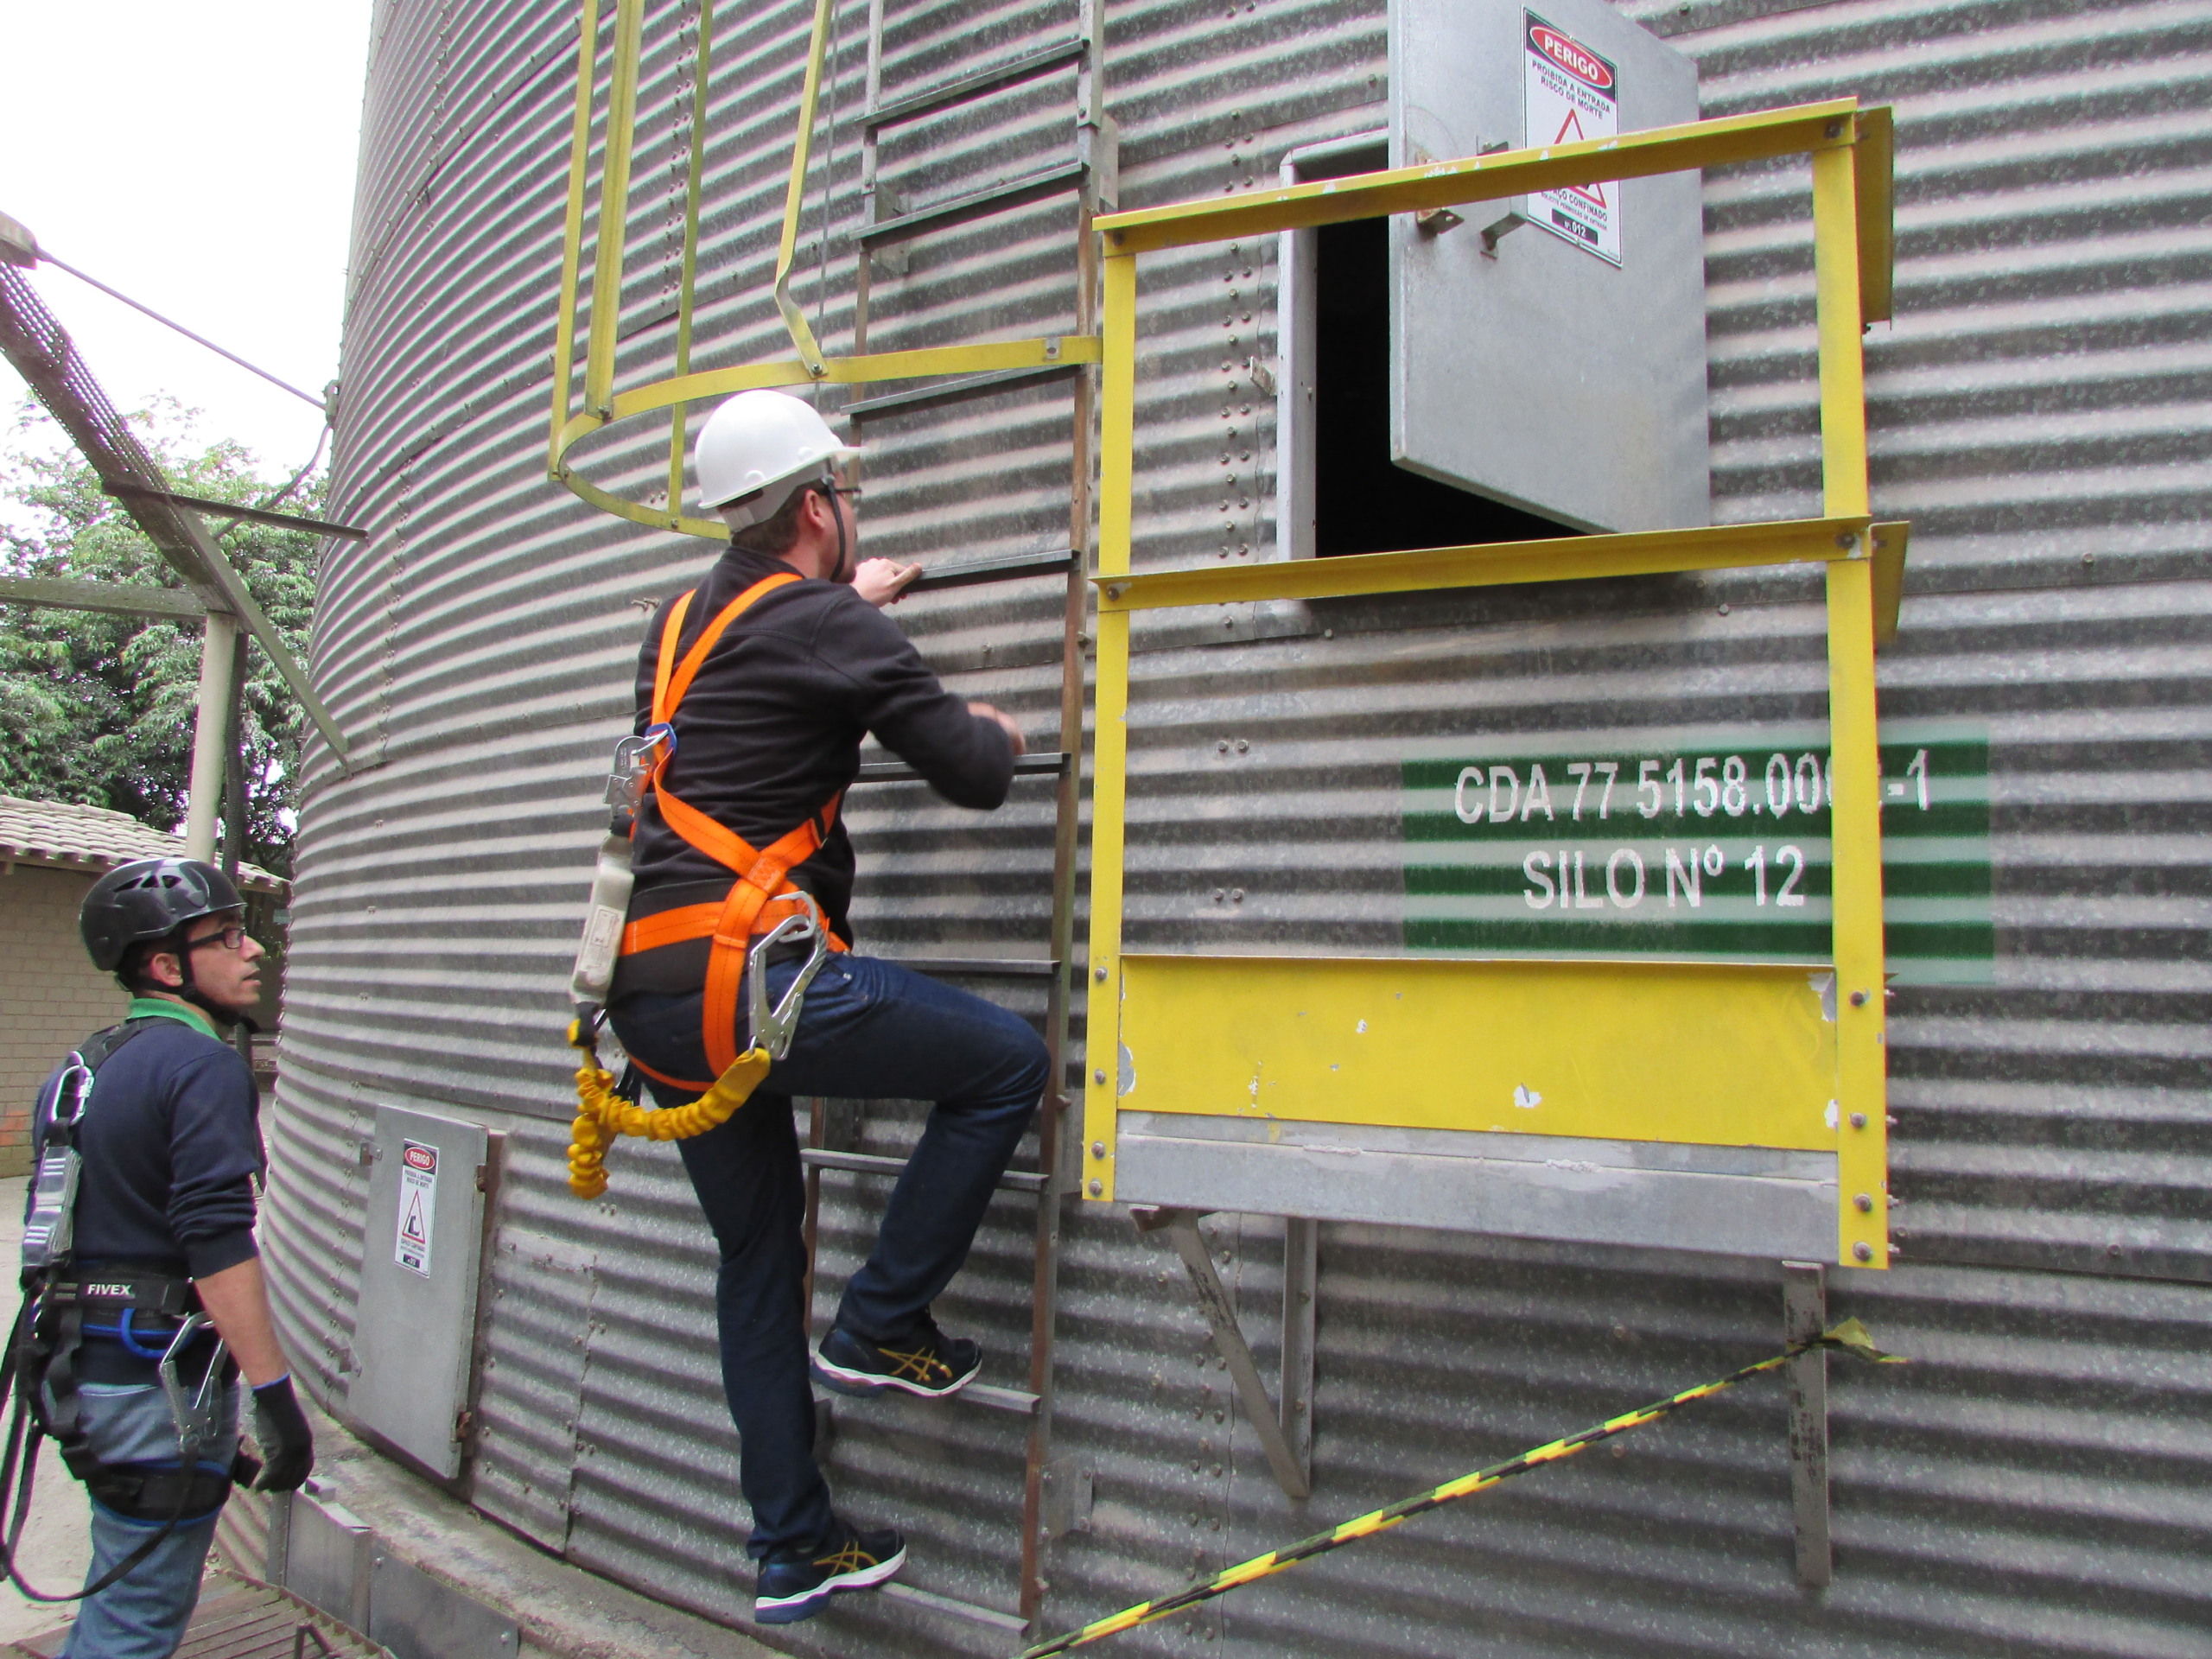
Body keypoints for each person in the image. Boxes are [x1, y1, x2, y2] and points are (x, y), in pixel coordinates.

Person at [602, 389, 1051, 1626]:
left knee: (755, 1257)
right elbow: (970, 775)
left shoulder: (677, 623)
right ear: (815, 506)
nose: (852, 516)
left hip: (650, 994)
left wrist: (852, 609)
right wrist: (998, 731)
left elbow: (765, 669)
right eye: (844, 498)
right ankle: (883, 1316)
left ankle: (792, 1546)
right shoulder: (824, 625)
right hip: (749, 984)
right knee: (1005, 1063)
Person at [20, 858, 315, 1658]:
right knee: (137, 1624)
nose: (254, 949)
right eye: (227, 936)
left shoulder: (79, 1069)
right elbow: (218, 1247)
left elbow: (48, 1231)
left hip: (82, 1374)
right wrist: (275, 1394)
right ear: (165, 966)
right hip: (158, 1386)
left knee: (120, 1594)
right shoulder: (204, 1069)